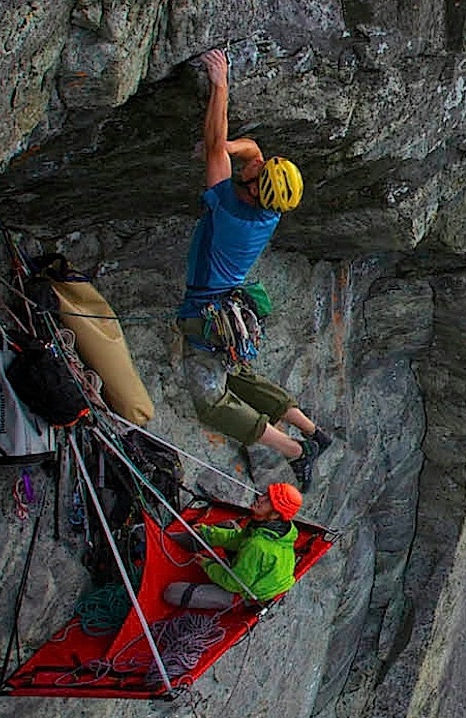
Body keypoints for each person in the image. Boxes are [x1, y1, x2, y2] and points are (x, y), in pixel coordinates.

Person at [178, 48, 329, 491]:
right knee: (239, 375)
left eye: (257, 170)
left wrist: (220, 85)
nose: (258, 160)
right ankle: (313, 429)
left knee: (211, 401)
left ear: (250, 189)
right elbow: (248, 150)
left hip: (204, 318)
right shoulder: (266, 210)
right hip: (229, 310)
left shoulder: (229, 209)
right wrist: (228, 148)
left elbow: (217, 148)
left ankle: (296, 449)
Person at [163, 482, 304, 609]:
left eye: (268, 501)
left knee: (172, 593)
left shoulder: (257, 546)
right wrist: (208, 533)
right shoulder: (265, 525)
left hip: (250, 593)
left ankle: (243, 605)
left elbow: (235, 583)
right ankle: (166, 540)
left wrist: (208, 565)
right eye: (265, 494)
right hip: (258, 573)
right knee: (227, 528)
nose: (260, 498)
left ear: (274, 515)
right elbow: (237, 540)